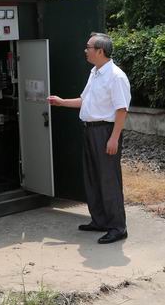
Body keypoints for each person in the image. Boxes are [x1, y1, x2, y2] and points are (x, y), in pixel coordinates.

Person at [48, 32, 132, 244]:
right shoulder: (95, 73)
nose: (85, 51)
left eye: (89, 47)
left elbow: (122, 110)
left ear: (100, 51)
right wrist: (61, 102)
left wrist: (114, 138)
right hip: (90, 130)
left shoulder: (116, 76)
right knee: (93, 177)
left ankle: (117, 227)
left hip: (105, 132)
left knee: (108, 179)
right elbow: (84, 101)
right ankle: (100, 220)